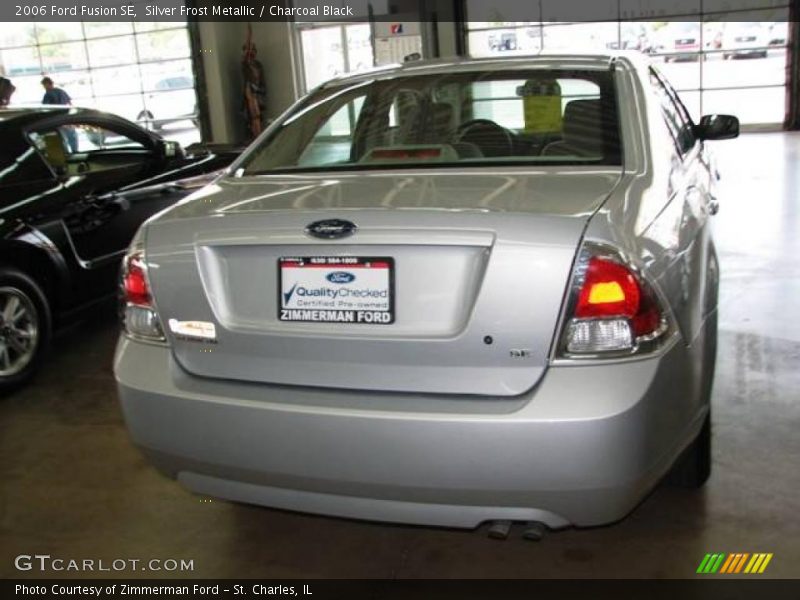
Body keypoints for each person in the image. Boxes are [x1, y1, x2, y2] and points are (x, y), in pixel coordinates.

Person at [41, 76, 78, 152]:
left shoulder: (48, 94)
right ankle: (75, 151)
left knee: (61, 138)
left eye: (44, 85)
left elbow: (45, 108)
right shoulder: (61, 91)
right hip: (67, 118)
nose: (44, 87)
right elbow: (70, 103)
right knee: (72, 136)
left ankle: (66, 154)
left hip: (56, 119)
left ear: (48, 84)